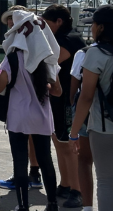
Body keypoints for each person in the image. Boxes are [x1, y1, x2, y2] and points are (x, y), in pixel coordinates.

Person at [0, 9, 62, 211]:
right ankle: (52, 203)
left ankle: (23, 205)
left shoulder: (13, 58)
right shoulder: (46, 58)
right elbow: (57, 91)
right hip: (41, 116)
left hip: (18, 116)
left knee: (20, 161)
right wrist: (42, 86)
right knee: (45, 160)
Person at [40, 4, 86, 208]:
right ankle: (65, 183)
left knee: (68, 146)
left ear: (59, 21)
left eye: (47, 23)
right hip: (56, 99)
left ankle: (78, 190)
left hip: (69, 100)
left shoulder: (70, 38)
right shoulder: (55, 38)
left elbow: (52, 62)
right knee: (58, 143)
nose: (45, 28)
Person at [0, 5, 46, 191]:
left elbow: (2, 80)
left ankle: (28, 175)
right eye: (8, 19)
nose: (10, 22)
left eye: (13, 18)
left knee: (25, 139)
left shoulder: (19, 46)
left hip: (24, 101)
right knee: (31, 137)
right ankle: (31, 174)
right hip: (34, 101)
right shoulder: (33, 43)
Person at [71, 5, 113, 211]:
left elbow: (86, 97)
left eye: (94, 25)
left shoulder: (96, 53)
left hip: (104, 126)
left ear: (102, 27)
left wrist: (73, 131)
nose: (91, 28)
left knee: (106, 181)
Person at [69, 38, 96, 211]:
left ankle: (87, 207)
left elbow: (75, 90)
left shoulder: (84, 53)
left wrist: (74, 128)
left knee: (85, 160)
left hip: (89, 114)